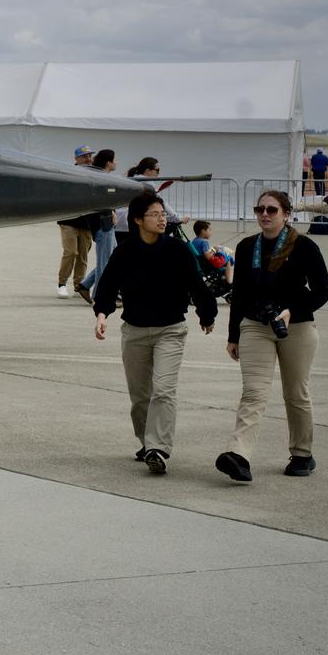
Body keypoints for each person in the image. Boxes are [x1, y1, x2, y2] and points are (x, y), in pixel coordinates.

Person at [93, 190, 217, 474]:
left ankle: (158, 448)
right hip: (134, 331)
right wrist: (102, 314)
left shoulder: (177, 250)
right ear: (138, 219)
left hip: (170, 331)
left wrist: (207, 313)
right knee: (139, 397)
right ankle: (146, 442)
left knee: (163, 390)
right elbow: (108, 286)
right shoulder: (124, 251)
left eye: (163, 215)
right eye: (155, 215)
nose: (162, 220)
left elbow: (197, 285)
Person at [215, 190, 328, 483]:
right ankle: (238, 455)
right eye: (260, 209)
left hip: (297, 327)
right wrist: (234, 335)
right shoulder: (245, 247)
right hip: (255, 325)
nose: (264, 215)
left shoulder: (304, 246)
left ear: (286, 214)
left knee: (296, 392)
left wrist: (292, 310)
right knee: (253, 392)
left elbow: (322, 291)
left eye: (271, 210)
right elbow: (239, 293)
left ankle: (302, 453)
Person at [73, 149, 120, 302]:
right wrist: (111, 211)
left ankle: (85, 285)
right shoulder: (99, 178)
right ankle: (100, 296)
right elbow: (100, 201)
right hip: (102, 224)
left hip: (105, 223)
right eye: (114, 160)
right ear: (108, 162)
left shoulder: (99, 177)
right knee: (105, 263)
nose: (116, 162)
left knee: (111, 259)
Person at [56, 146, 96, 297]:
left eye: (90, 156)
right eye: (84, 156)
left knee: (83, 255)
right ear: (76, 159)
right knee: (71, 252)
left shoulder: (94, 174)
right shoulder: (68, 173)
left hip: (86, 222)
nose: (88, 159)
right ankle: (61, 283)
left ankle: (80, 285)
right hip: (69, 219)